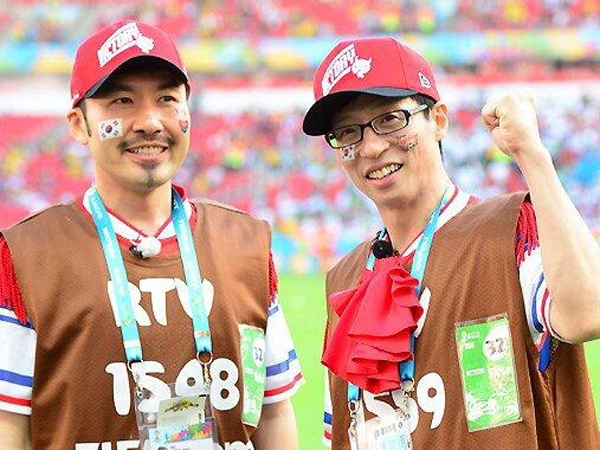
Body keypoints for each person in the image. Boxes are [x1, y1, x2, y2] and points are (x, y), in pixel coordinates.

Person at [0, 19, 303, 450]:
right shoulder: (26, 257)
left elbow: (273, 412)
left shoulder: (246, 244)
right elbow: (10, 428)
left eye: (166, 99)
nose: (149, 121)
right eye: (122, 100)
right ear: (79, 125)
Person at [302, 37, 600, 449]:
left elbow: (589, 312)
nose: (370, 146)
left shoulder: (509, 230)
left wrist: (532, 155)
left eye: (390, 119)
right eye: (347, 132)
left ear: (438, 119)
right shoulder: (345, 278)